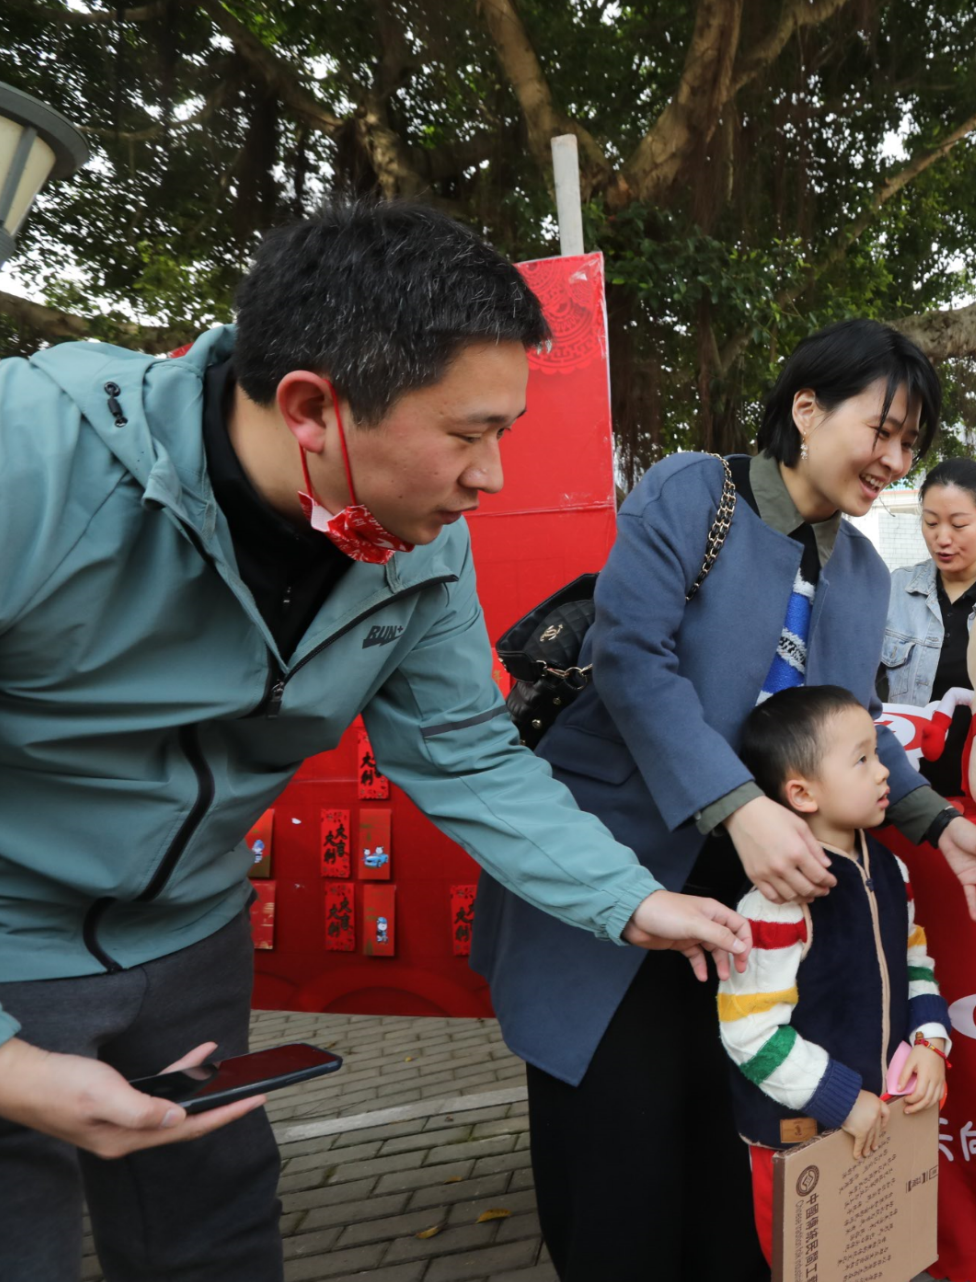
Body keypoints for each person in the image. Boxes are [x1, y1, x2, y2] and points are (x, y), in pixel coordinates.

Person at [0, 201, 749, 1282]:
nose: (491, 478)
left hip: (195, 934)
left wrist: (632, 899)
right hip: (14, 935)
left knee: (212, 1231)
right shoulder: (37, 461)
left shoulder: (414, 549)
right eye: (468, 434)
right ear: (313, 406)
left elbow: (463, 753)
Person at [470, 318, 976, 1282]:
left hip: (750, 894)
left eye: (909, 444)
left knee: (729, 1144)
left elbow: (853, 720)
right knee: (620, 1152)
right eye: (880, 430)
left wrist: (936, 822)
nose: (892, 459)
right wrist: (735, 803)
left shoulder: (864, 570)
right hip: (619, 868)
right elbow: (632, 657)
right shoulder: (693, 490)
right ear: (806, 409)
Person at [717, 685, 950, 1262]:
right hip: (798, 1140)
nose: (882, 773)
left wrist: (930, 1041)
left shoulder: (891, 867)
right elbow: (751, 1034)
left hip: (884, 1116)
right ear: (801, 792)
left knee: (880, 1255)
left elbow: (914, 959)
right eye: (862, 759)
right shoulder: (775, 902)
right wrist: (841, 1099)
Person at [879, 456, 976, 795]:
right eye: (931, 523)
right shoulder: (894, 591)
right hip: (906, 791)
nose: (942, 538)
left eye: (958, 525)